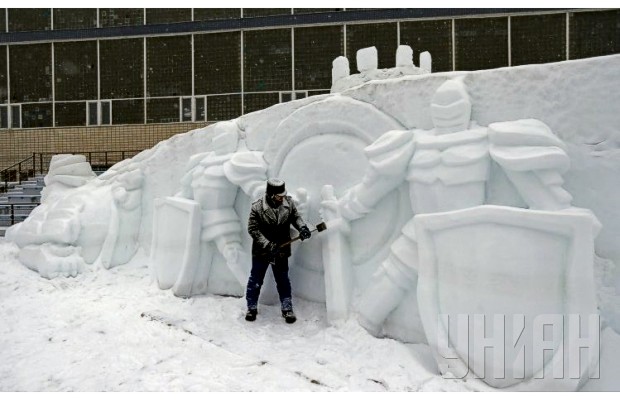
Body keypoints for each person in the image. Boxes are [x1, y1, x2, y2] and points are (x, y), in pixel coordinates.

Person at [245, 178, 311, 323]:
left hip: (281, 251)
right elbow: (253, 230)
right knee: (256, 280)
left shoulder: (288, 203)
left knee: (283, 281)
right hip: (261, 251)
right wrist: (268, 244)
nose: (282, 198)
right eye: (279, 196)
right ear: (270, 195)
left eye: (283, 195)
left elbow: (296, 217)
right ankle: (251, 307)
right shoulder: (257, 208)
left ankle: (287, 309)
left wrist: (303, 228)